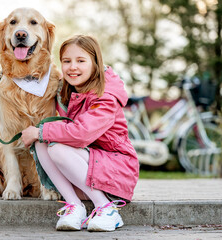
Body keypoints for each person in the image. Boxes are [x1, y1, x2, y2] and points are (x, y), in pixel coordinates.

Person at [21, 35, 139, 232]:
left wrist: (40, 131)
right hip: (89, 168)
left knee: (51, 143)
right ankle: (74, 206)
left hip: (117, 172)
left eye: (81, 61)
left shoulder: (106, 96)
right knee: (42, 141)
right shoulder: (70, 89)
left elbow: (82, 133)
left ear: (95, 63)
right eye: (66, 61)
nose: (72, 67)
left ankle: (107, 208)